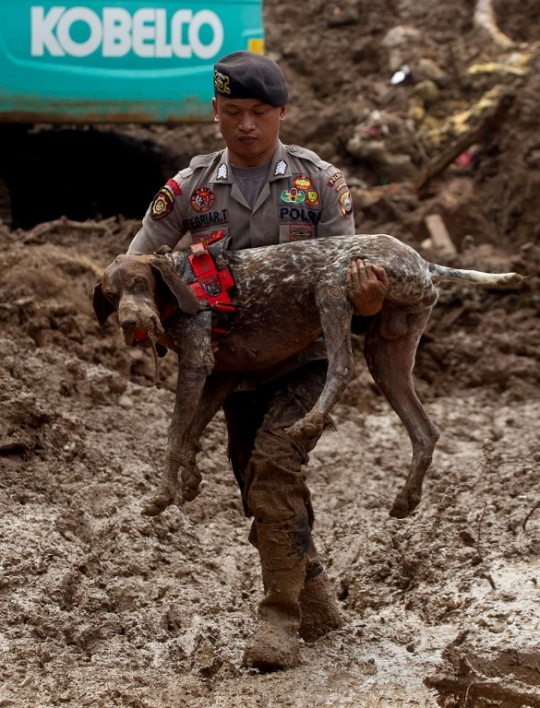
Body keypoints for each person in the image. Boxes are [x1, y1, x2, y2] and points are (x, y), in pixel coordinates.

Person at [128, 50, 388, 671]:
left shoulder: (320, 183)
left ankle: (280, 618)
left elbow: (344, 276)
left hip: (306, 358)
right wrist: (140, 303)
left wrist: (369, 301)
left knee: (275, 468)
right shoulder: (187, 189)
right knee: (256, 484)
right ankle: (315, 596)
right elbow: (138, 260)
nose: (247, 126)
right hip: (232, 365)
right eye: (234, 112)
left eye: (261, 113)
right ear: (215, 111)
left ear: (282, 113)